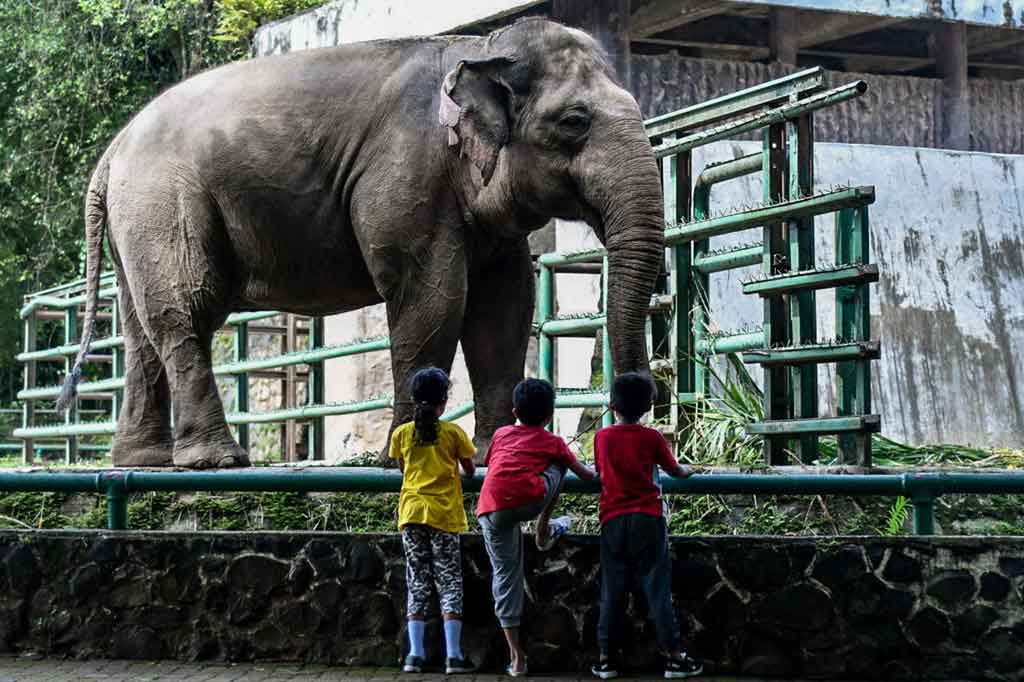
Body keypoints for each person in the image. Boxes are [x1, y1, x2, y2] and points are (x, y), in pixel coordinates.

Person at [477, 378, 597, 677]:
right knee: (558, 465)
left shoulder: (501, 433)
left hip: (492, 507)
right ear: (549, 415)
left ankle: (517, 659)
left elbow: (495, 465)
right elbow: (587, 476)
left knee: (506, 578)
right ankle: (543, 529)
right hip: (531, 501)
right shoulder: (554, 442)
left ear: (514, 410)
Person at [590, 372, 702, 680]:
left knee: (612, 591)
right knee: (657, 589)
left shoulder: (602, 437)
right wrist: (691, 471)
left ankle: (605, 659)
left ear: (612, 405)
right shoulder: (652, 437)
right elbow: (675, 470)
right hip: (648, 519)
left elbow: (599, 471)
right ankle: (675, 657)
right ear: (648, 407)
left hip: (612, 520)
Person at [390, 367, 477, 675]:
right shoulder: (453, 433)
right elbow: (470, 470)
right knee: (449, 581)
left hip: (411, 513)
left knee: (418, 580)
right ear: (444, 402)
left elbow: (403, 468)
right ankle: (453, 656)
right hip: (444, 515)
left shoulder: (401, 434)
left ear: (413, 400)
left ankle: (415, 655)